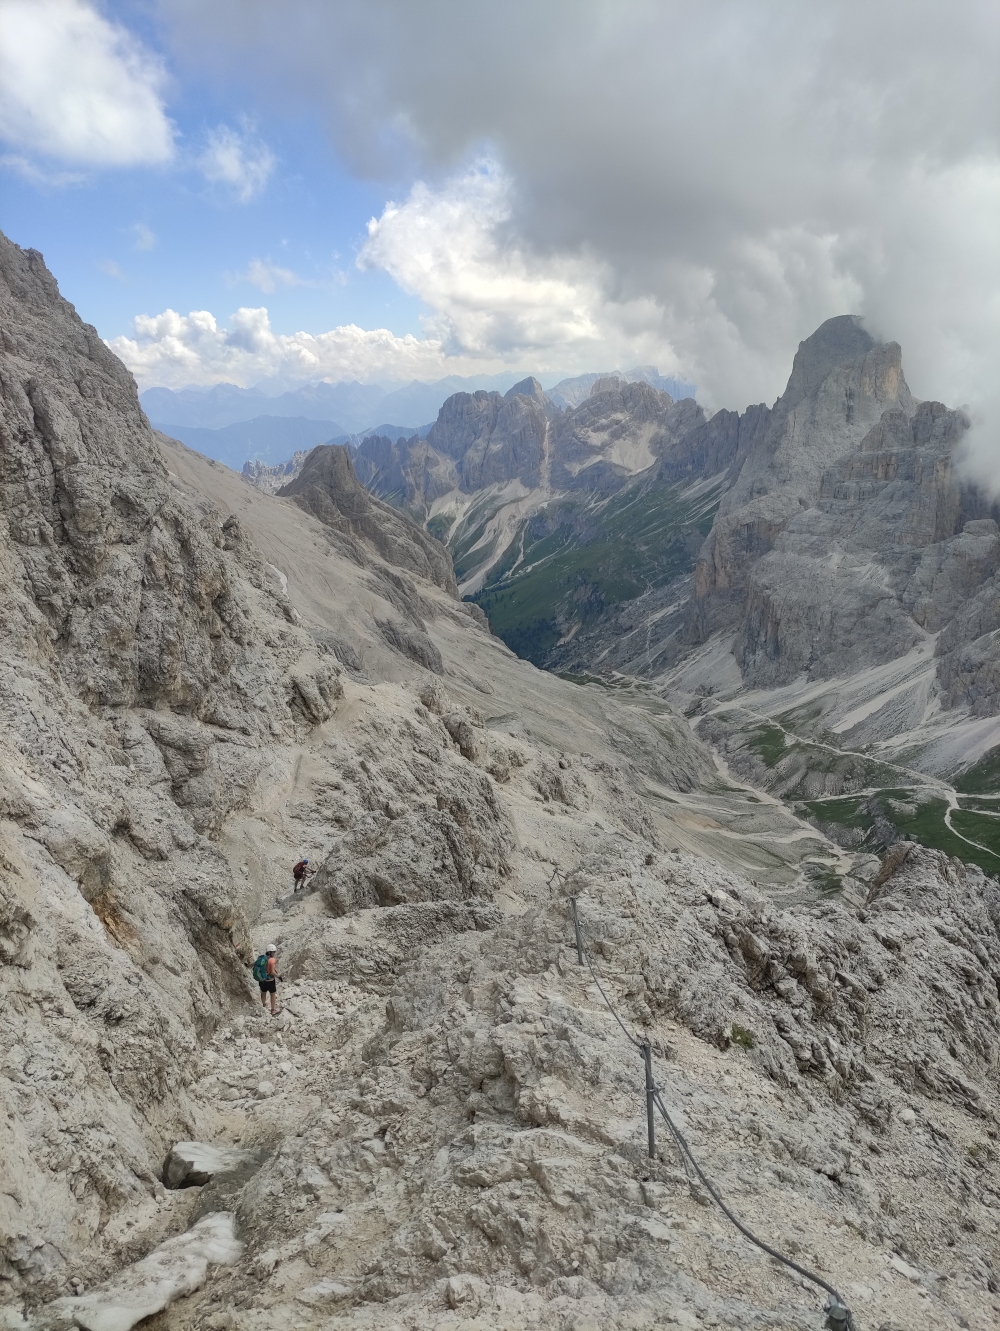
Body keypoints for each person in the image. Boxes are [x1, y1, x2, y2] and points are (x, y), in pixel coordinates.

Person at [258, 944, 279, 1015]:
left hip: (262, 980)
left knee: (263, 992)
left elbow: (254, 964)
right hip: (270, 981)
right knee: (272, 994)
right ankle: (273, 1009)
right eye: (274, 952)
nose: (274, 953)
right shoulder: (272, 960)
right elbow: (272, 972)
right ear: (271, 952)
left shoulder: (261, 958)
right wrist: (279, 976)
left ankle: (264, 1004)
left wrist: (247, 965)